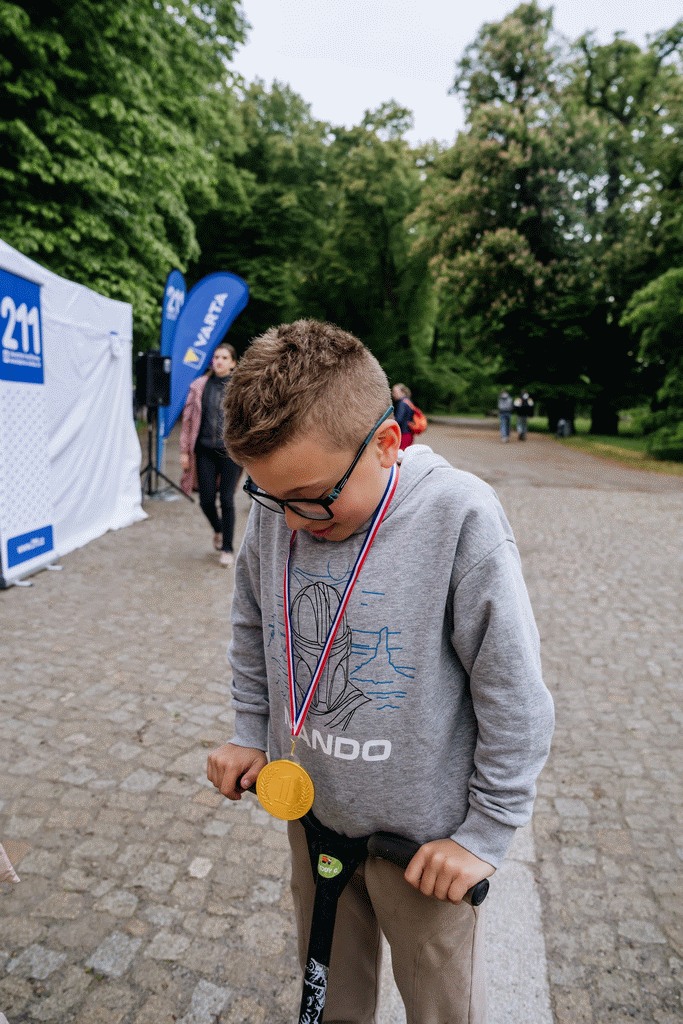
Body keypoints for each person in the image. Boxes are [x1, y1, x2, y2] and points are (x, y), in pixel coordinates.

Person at [207, 320, 554, 1024]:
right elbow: (251, 627)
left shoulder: (458, 515)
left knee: (441, 1008)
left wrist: (483, 834)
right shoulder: (281, 508)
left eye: (311, 497)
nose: (292, 521)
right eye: (270, 497)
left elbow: (513, 693)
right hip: (313, 820)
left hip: (426, 850)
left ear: (387, 443)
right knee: (331, 999)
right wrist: (249, 731)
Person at [179, 342, 242, 567]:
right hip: (204, 450)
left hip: (230, 452)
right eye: (216, 357)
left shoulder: (239, 388)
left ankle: (227, 548)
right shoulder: (199, 386)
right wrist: (184, 451)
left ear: (233, 363)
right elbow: (187, 420)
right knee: (206, 500)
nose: (219, 361)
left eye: (224, 358)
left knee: (226, 499)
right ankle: (219, 529)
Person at [391, 382, 414, 450]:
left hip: (403, 433)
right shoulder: (408, 401)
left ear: (402, 392)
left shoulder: (402, 403)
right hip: (409, 433)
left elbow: (399, 419)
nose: (393, 394)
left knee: (400, 453)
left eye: (395, 392)